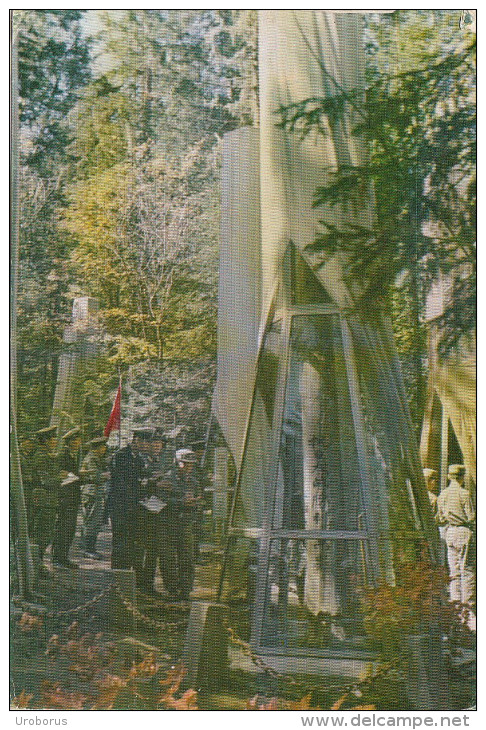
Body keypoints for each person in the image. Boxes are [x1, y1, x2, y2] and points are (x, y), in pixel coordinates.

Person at [158, 448, 200, 600]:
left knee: (187, 559)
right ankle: (172, 590)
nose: (189, 467)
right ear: (177, 463)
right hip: (168, 524)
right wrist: (181, 502)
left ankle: (185, 590)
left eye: (191, 464)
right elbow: (160, 501)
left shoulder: (193, 481)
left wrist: (195, 503)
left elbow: (198, 498)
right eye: (185, 464)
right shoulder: (167, 479)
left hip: (185, 524)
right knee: (168, 560)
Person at [437, 464, 475, 629]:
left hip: (450, 532)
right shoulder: (464, 494)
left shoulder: (442, 495)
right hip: (463, 531)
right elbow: (471, 516)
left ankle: (455, 606)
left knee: (454, 571)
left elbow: (440, 517)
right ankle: (468, 610)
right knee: (467, 571)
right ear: (461, 476)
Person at [108, 430, 149, 573]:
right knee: (120, 540)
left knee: (130, 541)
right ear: (135, 440)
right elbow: (120, 482)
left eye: (146, 442)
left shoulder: (138, 459)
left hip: (133, 507)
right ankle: (117, 575)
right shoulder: (121, 456)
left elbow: (140, 479)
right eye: (142, 441)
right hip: (120, 505)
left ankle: (125, 574)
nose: (145, 445)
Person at [52, 426, 82, 568]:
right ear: (69, 442)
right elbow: (59, 476)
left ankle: (63, 557)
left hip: (72, 498)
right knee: (63, 529)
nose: (78, 443)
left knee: (69, 530)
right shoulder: (62, 456)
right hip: (65, 498)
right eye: (75, 441)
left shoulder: (71, 455)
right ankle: (57, 558)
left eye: (78, 440)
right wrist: (77, 476)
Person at [31, 425, 60, 573]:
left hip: (49, 500)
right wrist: (60, 478)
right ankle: (36, 566)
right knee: (42, 534)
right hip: (44, 501)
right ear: (45, 441)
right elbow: (45, 481)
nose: (55, 441)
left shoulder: (48, 455)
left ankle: (38, 564)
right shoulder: (41, 457)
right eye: (52, 438)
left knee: (46, 534)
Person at [79, 435, 110, 560]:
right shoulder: (92, 458)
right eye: (103, 447)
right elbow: (93, 476)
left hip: (93, 492)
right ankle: (89, 549)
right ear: (97, 448)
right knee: (92, 522)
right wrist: (106, 475)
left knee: (91, 521)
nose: (104, 449)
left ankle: (86, 547)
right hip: (92, 492)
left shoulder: (96, 458)